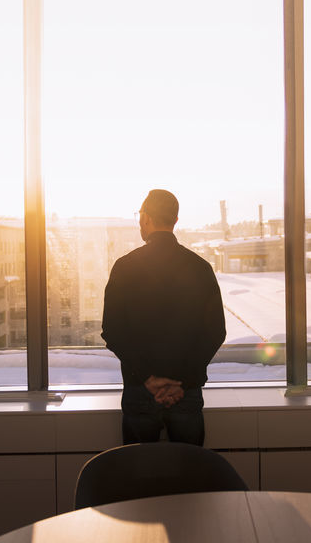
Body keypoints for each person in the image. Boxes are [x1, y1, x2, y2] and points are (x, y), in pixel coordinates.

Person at [101, 188, 226, 445]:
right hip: (186, 392)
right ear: (175, 221)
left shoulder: (125, 267)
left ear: (145, 218)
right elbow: (215, 332)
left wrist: (149, 378)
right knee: (191, 476)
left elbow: (112, 330)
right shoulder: (200, 268)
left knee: (139, 475)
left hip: (140, 389)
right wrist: (182, 382)